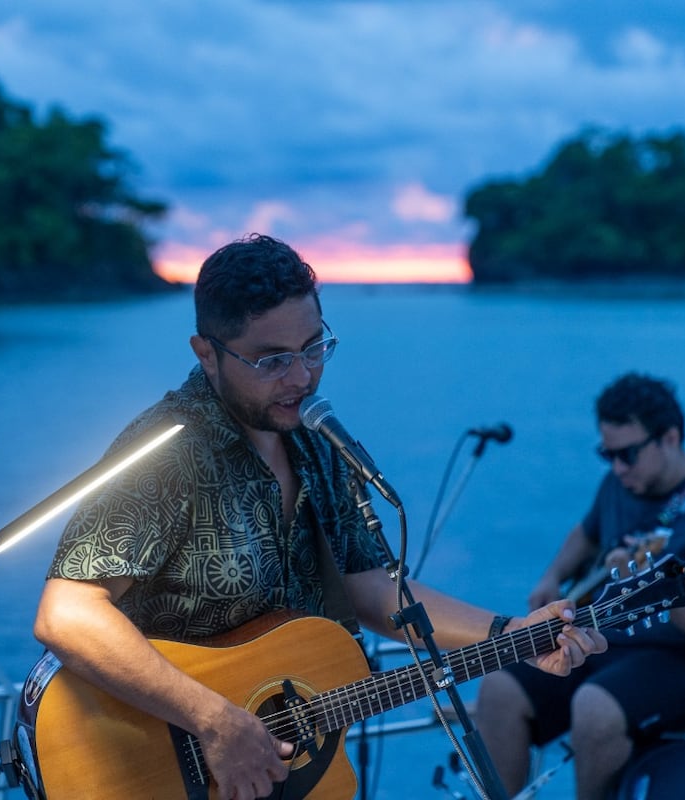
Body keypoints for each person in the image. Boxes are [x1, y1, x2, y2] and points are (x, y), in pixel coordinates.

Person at [31, 233, 606, 800]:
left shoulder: (314, 440)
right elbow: (67, 615)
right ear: (207, 354)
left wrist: (511, 634)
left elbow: (372, 588)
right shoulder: (168, 451)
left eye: (313, 348)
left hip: (282, 774)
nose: (302, 376)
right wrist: (214, 720)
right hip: (152, 763)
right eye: (272, 360)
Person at [475, 371, 685, 800]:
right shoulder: (619, 483)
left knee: (595, 709)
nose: (616, 467)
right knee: (498, 690)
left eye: (627, 454)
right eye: (606, 454)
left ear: (670, 437)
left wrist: (646, 583)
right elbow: (586, 534)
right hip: (612, 646)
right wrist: (552, 576)